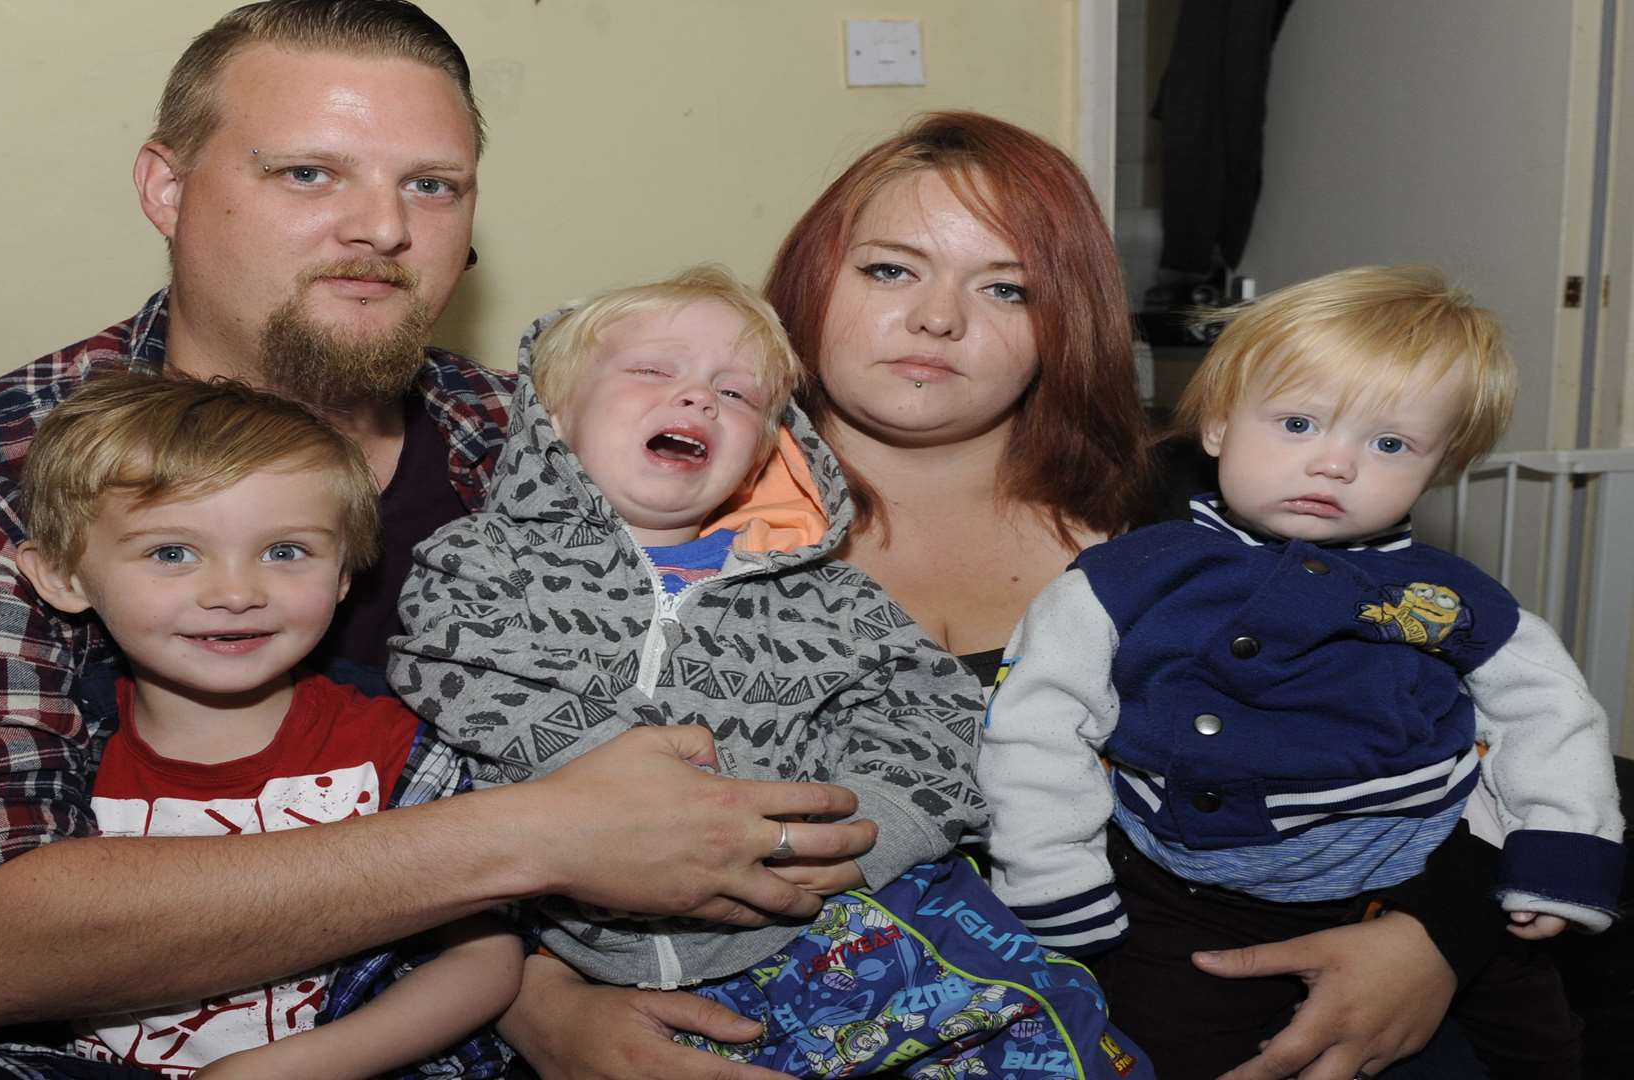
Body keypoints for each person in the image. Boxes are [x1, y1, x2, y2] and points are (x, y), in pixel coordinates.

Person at [0, 3, 872, 1074]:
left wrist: (532, 998)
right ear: (165, 188)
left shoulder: (544, 446)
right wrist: (537, 837)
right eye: (308, 174)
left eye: (431, 185)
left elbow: (715, 726)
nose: (384, 229)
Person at [497, 113, 1519, 1080]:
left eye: (1006, 290)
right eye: (891, 269)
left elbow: (1482, 734)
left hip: (1228, 1003)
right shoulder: (658, 509)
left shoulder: (1200, 516)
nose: (936, 318)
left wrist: (1436, 941)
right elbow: (480, 767)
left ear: (1061, 323)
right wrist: (533, 1001)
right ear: (813, 283)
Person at [390, 265, 1152, 1077]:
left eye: (738, 395)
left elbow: (934, 718)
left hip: (823, 921)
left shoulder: (827, 597)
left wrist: (869, 834)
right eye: (653, 371)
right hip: (565, 941)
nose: (696, 401)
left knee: (1045, 1037)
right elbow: (446, 665)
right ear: (552, 415)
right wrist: (632, 798)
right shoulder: (482, 563)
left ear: (764, 454)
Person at [980, 264, 1626, 1075]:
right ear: (1216, 427)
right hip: (1193, 897)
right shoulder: (1127, 577)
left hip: (1425, 875)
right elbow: (1036, 724)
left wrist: (1561, 847)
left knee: (1544, 1050)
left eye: (1389, 444)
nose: (1334, 464)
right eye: (1297, 423)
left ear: (1440, 467)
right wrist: (1052, 878)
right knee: (1148, 1051)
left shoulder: (1449, 595)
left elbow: (1553, 712)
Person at [0, 373, 523, 1079]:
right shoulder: (55, 751)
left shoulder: (402, 744)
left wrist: (293, 1068)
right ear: (64, 577)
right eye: (172, 553)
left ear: (346, 573)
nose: (235, 593)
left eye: (286, 551)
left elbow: (485, 957)